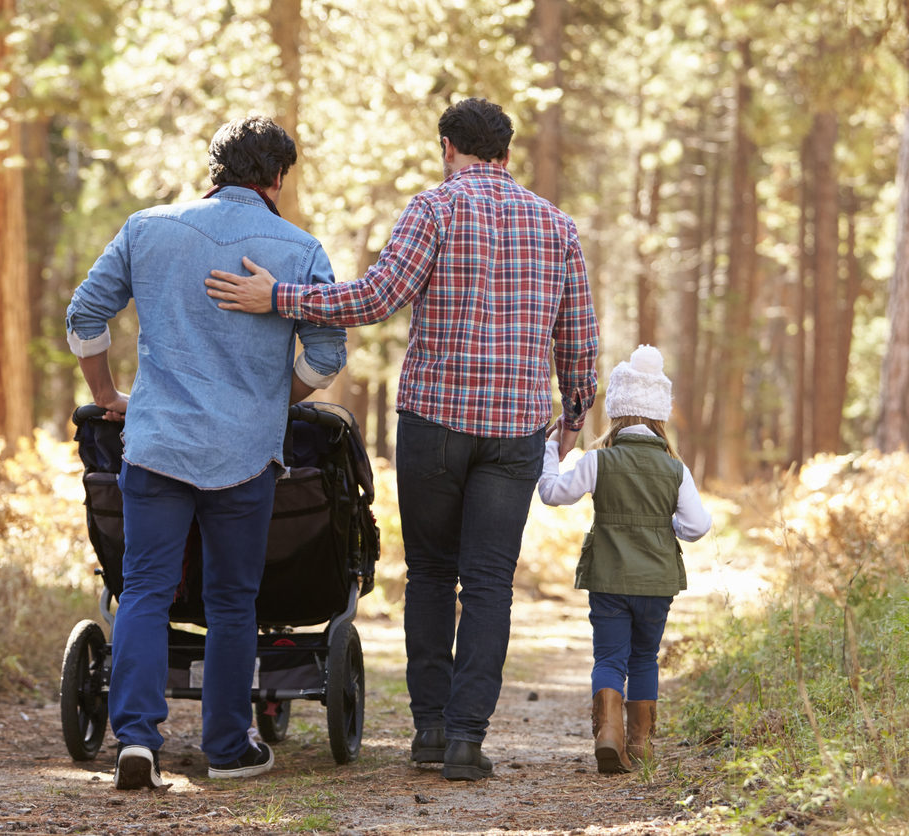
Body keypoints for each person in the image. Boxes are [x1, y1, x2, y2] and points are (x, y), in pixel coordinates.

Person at [203, 97, 599, 781]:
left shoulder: (434, 209)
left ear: (449, 147)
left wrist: (281, 298)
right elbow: (580, 342)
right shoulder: (558, 227)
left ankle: (430, 732)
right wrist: (572, 417)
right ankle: (468, 742)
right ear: (506, 153)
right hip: (514, 432)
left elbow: (376, 298)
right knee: (489, 585)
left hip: (435, 425)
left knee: (432, 575)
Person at [65, 115, 347, 790]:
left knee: (143, 590)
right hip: (244, 455)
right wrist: (268, 406)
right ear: (278, 178)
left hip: (156, 443)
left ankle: (135, 740)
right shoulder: (301, 249)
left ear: (214, 167)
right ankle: (227, 747)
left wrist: (108, 394)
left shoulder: (147, 227)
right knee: (231, 602)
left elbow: (85, 315)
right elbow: (328, 356)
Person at [537, 345, 712, 774]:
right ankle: (640, 743)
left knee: (609, 658)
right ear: (658, 416)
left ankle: (609, 734)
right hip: (656, 583)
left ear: (617, 412)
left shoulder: (599, 460)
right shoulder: (675, 468)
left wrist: (548, 451)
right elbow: (697, 525)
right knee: (644, 658)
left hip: (609, 579)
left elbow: (552, 493)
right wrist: (661, 528)